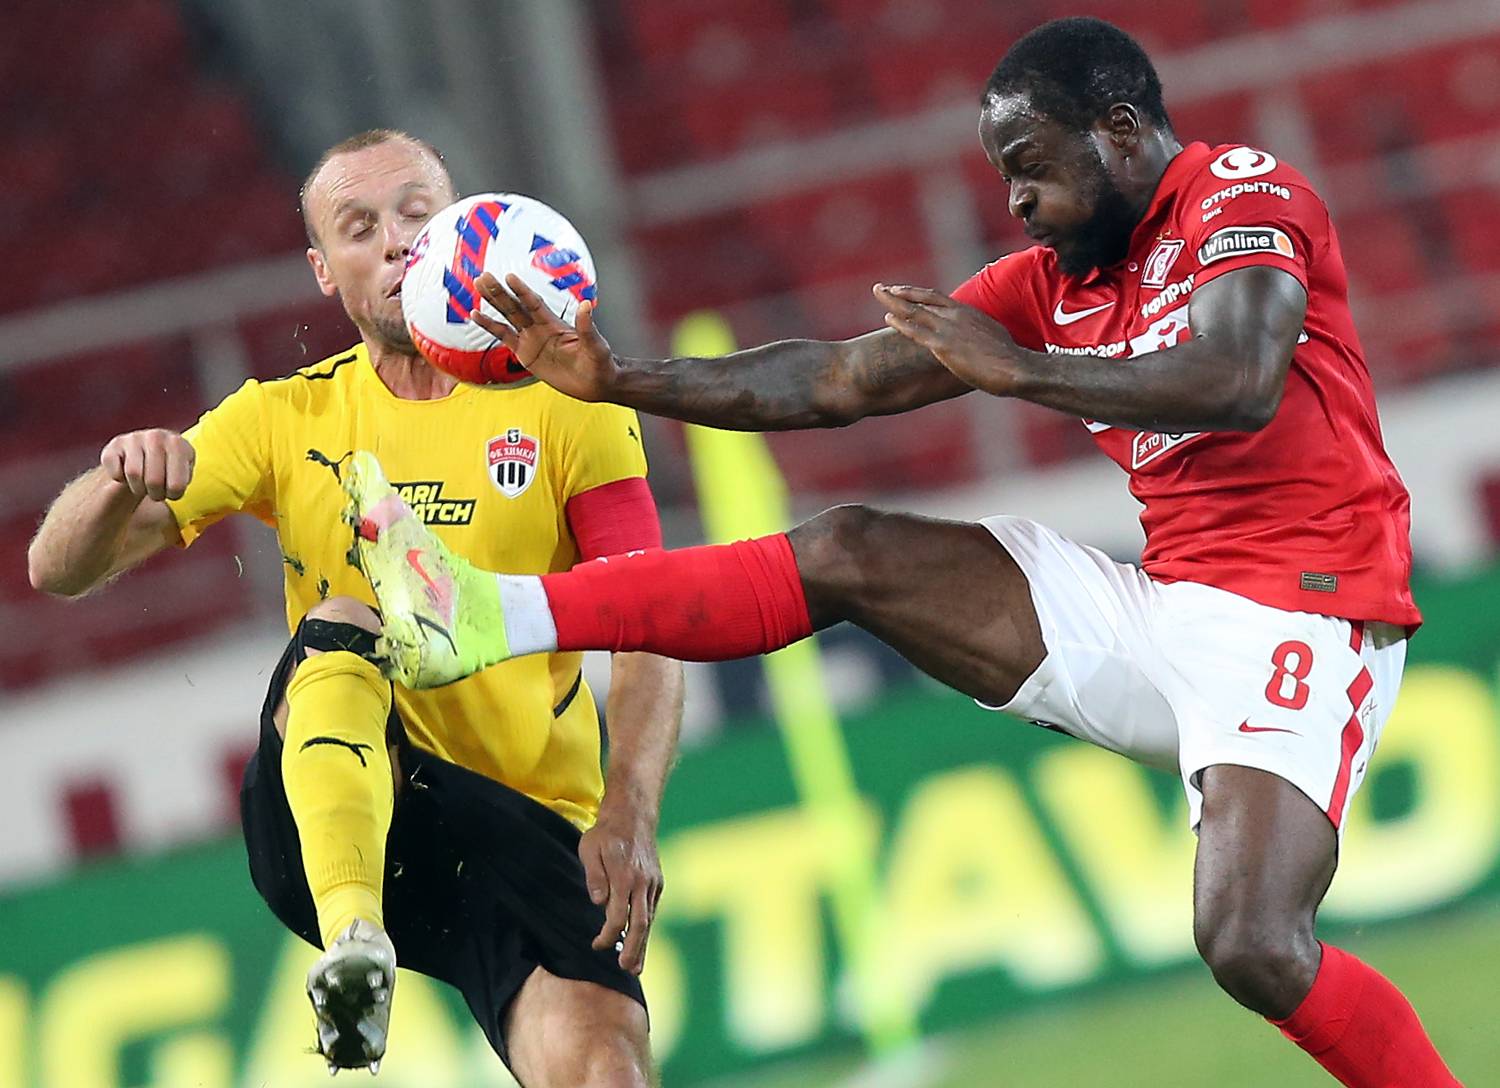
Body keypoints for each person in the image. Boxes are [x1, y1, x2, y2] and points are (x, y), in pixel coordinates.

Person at [345, 19, 1464, 1087]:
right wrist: (622, 378)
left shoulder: (1243, 194)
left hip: (1309, 607)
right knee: (851, 548)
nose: (1016, 202)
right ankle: (492, 614)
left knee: (1251, 941)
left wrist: (1024, 371)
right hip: (1159, 605)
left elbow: (1240, 378)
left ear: (1120, 130)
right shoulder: (1049, 284)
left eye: (1031, 167)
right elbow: (837, 380)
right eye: (1005, 178)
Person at [27, 129, 682, 1085]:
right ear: (323, 272)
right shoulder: (281, 418)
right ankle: (355, 944)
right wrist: (114, 481)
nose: (397, 240)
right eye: (360, 226)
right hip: (339, 818)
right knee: (346, 617)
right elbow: (56, 568)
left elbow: (650, 619)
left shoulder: (566, 403)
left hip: (523, 814)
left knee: (605, 1069)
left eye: (417, 213)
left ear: (459, 225)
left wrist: (629, 809)